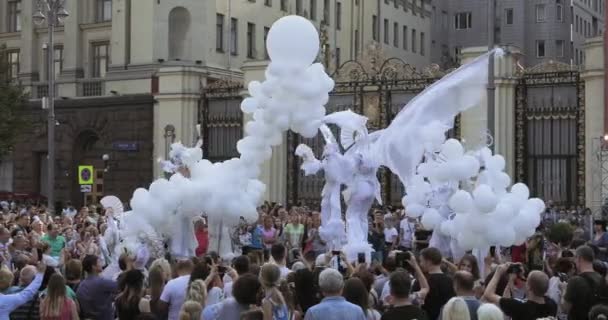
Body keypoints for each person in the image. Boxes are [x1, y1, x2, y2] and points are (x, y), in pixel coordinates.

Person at [483, 264, 556, 320]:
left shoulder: (520, 307)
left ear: (529, 287)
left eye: (527, 281)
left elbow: (488, 294)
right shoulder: (552, 305)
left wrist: (498, 273)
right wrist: (511, 280)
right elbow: (539, 285)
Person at [562, 245, 605, 320]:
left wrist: (563, 289)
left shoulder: (575, 281)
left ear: (579, 258)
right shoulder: (602, 279)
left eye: (575, 258)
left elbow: (565, 309)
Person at [418, 248, 456, 320]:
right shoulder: (450, 281)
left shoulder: (422, 281)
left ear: (428, 262)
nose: (420, 264)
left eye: (421, 261)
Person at [76, 254, 118, 320]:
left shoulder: (81, 286)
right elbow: (120, 287)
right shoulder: (101, 282)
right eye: (99, 262)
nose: (101, 263)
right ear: (93, 267)